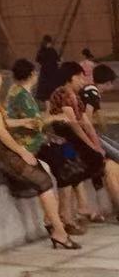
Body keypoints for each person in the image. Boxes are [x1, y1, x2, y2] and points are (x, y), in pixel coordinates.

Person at [0, 62, 78, 250]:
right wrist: (22, 152)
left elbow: (2, 123)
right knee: (43, 179)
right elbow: (0, 131)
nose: (1, 79)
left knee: (44, 170)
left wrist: (23, 122)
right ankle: (58, 230)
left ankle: (53, 223)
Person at [48, 60, 119, 223]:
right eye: (80, 77)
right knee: (88, 165)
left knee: (102, 162)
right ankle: (72, 211)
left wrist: (96, 145)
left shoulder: (76, 96)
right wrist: (92, 145)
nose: (84, 81)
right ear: (72, 78)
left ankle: (83, 206)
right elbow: (75, 124)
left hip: (76, 140)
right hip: (65, 141)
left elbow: (85, 122)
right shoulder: (62, 94)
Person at [36, 35, 61, 104]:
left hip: (45, 73)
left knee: (45, 94)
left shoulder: (41, 51)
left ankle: (47, 105)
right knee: (51, 92)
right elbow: (57, 61)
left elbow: (38, 61)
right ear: (49, 42)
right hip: (52, 74)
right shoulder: (52, 51)